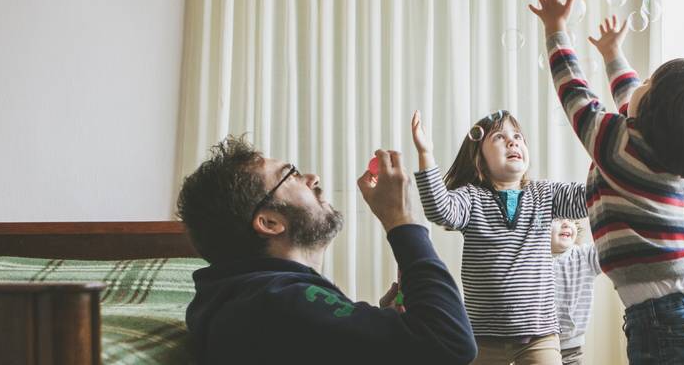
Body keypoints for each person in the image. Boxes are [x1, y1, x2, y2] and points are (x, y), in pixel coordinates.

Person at [529, 0, 684, 364]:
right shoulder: (667, 156)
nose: (639, 82)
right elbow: (633, 96)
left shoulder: (616, 143)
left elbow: (575, 93)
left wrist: (555, 30)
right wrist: (613, 53)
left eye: (650, 81)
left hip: (661, 319)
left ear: (652, 114)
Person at [178, 136, 477, 364]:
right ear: (269, 221)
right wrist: (400, 220)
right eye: (291, 175)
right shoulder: (280, 302)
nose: (312, 178)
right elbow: (451, 344)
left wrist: (379, 326)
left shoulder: (248, 301)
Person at [410, 110, 587, 364]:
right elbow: (440, 209)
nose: (512, 142)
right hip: (482, 337)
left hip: (540, 335)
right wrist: (425, 154)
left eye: (517, 137)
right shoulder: (471, 199)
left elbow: (587, 197)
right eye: (499, 138)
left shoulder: (544, 194)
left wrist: (607, 158)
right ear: (479, 159)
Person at [550, 218, 601, 365]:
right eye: (558, 219)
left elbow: (607, 245)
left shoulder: (584, 256)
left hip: (571, 348)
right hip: (535, 346)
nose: (566, 223)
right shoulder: (533, 258)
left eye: (570, 220)